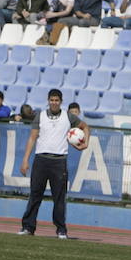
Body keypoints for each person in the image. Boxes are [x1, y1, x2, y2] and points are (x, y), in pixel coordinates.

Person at [18, 89, 89, 239]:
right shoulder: (41, 116)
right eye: (52, 100)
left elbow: (85, 127)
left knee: (59, 197)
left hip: (59, 161)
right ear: (48, 101)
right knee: (35, 195)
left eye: (57, 100)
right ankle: (28, 227)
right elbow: (32, 138)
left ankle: (61, 230)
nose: (54, 103)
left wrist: (85, 143)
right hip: (41, 159)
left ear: (61, 102)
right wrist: (25, 159)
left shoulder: (68, 116)